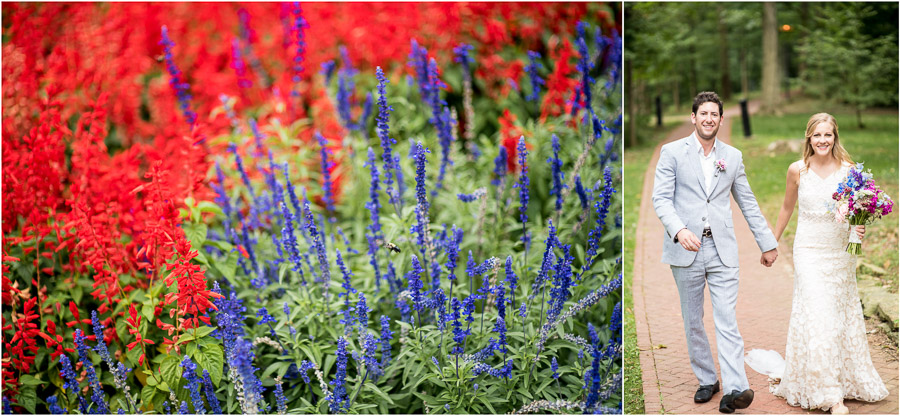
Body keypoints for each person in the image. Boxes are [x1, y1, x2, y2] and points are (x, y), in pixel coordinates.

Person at [652, 91, 779, 414]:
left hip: (722, 250)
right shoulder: (671, 153)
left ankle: (736, 388)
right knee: (693, 320)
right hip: (686, 249)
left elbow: (747, 202)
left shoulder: (732, 157)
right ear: (693, 117)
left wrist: (767, 243)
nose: (709, 119)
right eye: (703, 113)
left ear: (721, 120)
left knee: (726, 320)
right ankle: (708, 379)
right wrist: (679, 230)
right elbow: (661, 199)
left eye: (714, 114)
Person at [765, 113, 889, 414]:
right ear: (808, 137)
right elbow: (785, 207)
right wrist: (770, 243)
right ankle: (830, 395)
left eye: (828, 135)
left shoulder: (849, 172)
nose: (822, 140)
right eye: (817, 135)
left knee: (838, 318)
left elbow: (858, 210)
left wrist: (858, 227)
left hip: (839, 255)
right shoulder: (797, 170)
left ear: (835, 137)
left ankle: (845, 379)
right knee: (818, 315)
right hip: (808, 251)